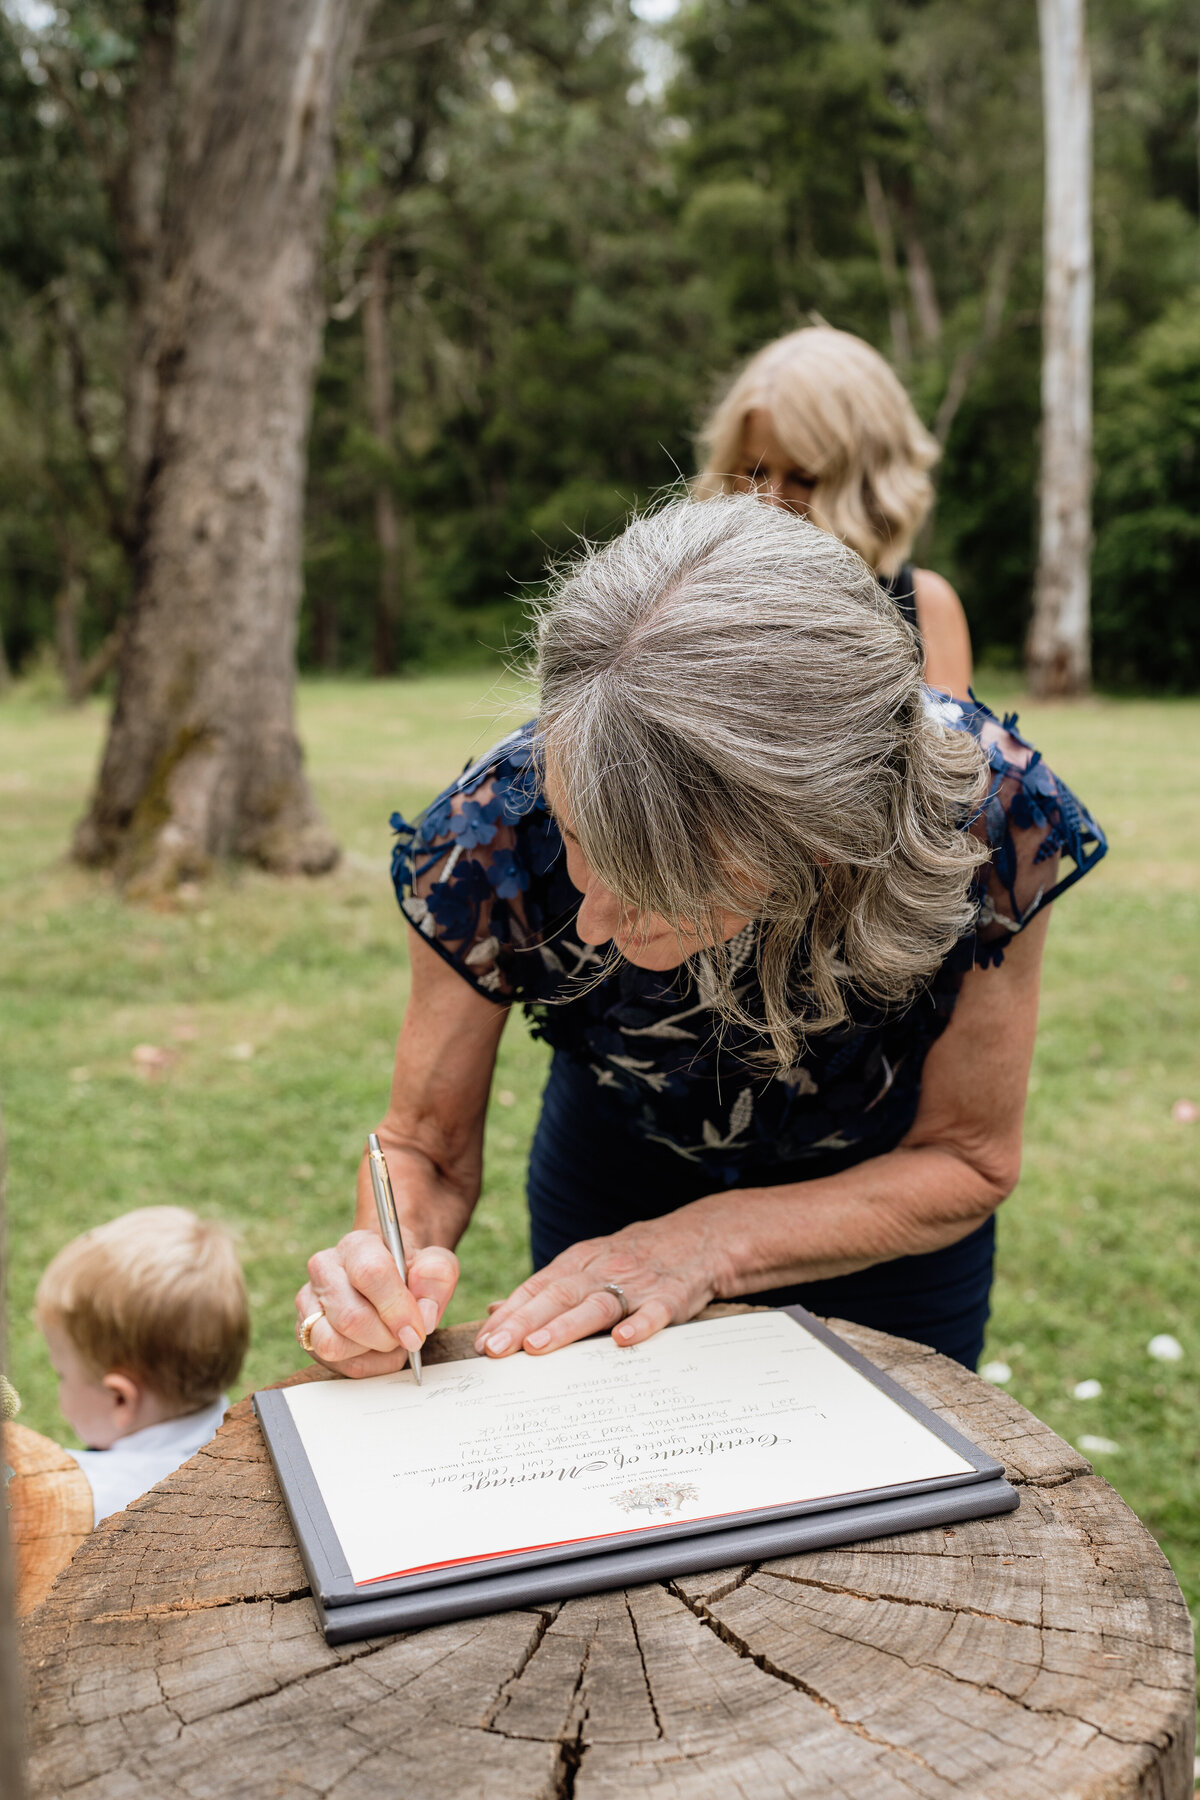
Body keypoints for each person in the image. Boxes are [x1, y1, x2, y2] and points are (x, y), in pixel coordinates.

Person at [296, 497, 1105, 1381]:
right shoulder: (489, 831)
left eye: (655, 884)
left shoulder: (988, 822)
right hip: (614, 1180)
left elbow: (968, 1159)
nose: (594, 921)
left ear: (820, 836)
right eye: (574, 838)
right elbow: (424, 1150)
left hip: (882, 1223)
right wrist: (379, 1272)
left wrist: (707, 1247)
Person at [695, 324, 973, 697]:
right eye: (754, 471)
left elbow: (950, 752)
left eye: (805, 477)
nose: (771, 502)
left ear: (869, 482)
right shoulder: (692, 606)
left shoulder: (924, 606)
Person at [36, 1206, 249, 1526]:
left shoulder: (83, 1497)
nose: (59, 1384)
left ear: (120, 1399)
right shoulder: (239, 1441)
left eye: (61, 1375)